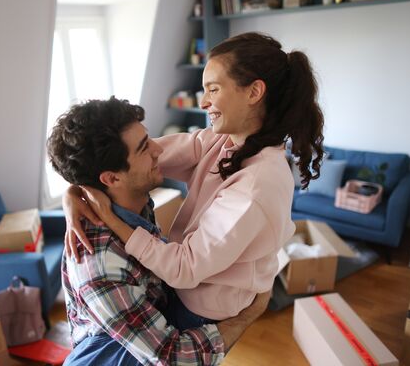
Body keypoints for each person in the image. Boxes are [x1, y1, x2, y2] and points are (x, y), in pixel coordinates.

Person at [64, 32, 324, 330]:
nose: (203, 102)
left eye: (213, 89)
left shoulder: (256, 185)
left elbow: (184, 268)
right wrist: (74, 190)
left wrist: (112, 219)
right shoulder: (223, 140)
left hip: (202, 308)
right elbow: (133, 159)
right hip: (183, 284)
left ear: (254, 92)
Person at [47, 97, 271, 365]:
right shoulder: (100, 264)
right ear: (112, 178)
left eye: (149, 138)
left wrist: (73, 191)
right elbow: (174, 358)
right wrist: (249, 314)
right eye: (144, 148)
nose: (158, 149)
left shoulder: (132, 201)